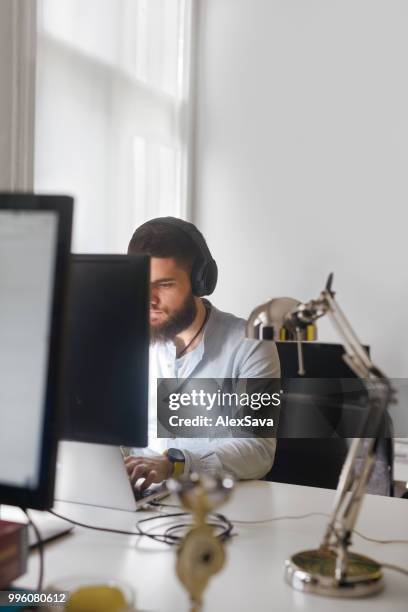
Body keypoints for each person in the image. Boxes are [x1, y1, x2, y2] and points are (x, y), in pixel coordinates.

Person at [124, 217, 280, 491]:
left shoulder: (250, 344)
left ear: (200, 282)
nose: (149, 298)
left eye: (165, 284)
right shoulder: (127, 340)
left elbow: (258, 450)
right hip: (139, 498)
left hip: (219, 505)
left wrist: (175, 465)